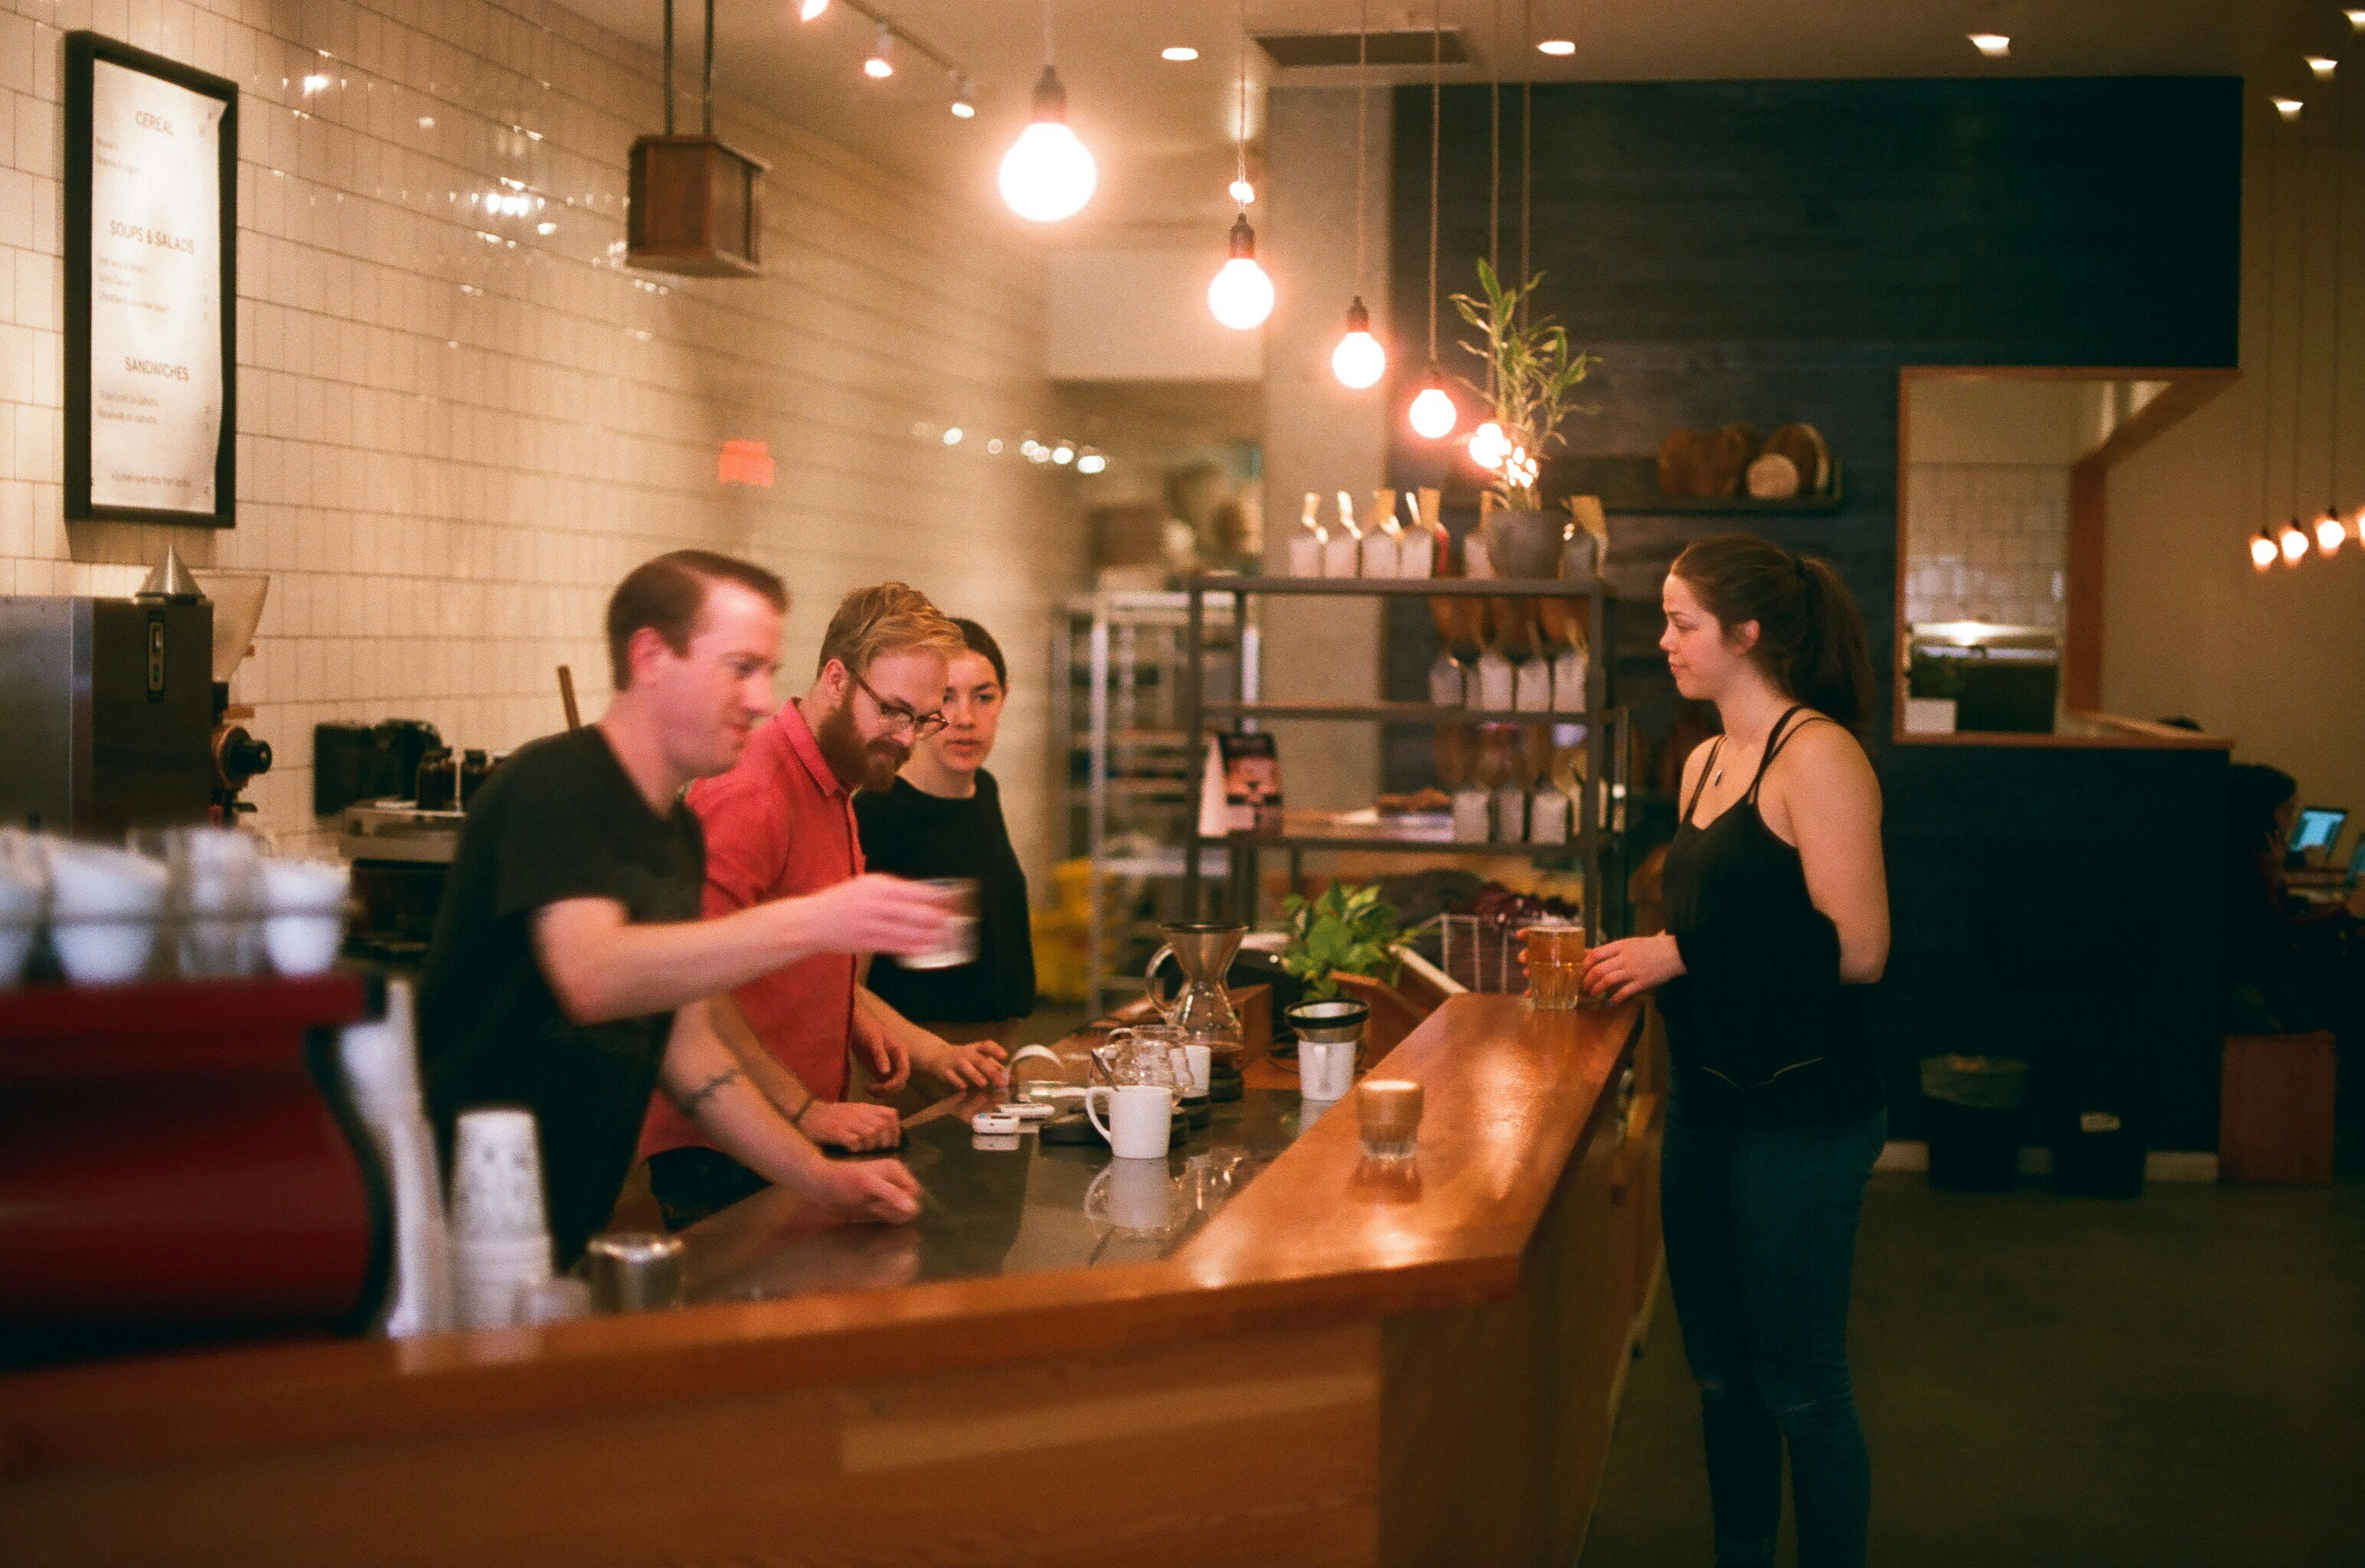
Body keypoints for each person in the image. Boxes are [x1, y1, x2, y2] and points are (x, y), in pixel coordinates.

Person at [419, 550, 939, 1267]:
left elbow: (689, 1052)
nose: (761, 700)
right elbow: (591, 974)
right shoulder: (557, 784)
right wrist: (815, 920)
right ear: (651, 656)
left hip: (559, 1216)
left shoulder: (675, 831)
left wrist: (819, 1177)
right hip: (450, 1212)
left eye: (766, 671)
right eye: (740, 667)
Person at [1580, 534, 1890, 1568]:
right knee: (1718, 1374)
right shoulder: (1705, 760)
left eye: (1682, 624)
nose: (1663, 641)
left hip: (1805, 1112)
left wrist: (1680, 951)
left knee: (1802, 1383)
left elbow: (1857, 951)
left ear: (1746, 636)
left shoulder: (1820, 757)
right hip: (1708, 1106)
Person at [639, 583, 1011, 1230]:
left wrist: (858, 1016)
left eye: (921, 720)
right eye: (894, 712)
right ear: (836, 679)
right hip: (721, 1143)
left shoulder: (838, 782)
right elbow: (690, 985)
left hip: (786, 1130)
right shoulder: (754, 792)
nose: (905, 738)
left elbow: (792, 952)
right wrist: (802, 1109)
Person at [855, 616, 1037, 1044]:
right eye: (946, 699)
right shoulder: (878, 812)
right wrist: (936, 1055)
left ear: (1004, 699)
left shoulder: (983, 790)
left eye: (984, 697)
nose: (965, 719)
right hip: (915, 1058)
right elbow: (849, 988)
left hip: (996, 1049)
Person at [2223, 762, 2363, 1037]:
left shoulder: (2242, 850)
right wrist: (2346, 910)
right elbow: (2282, 928)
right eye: (2287, 812)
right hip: (2267, 970)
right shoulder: (2254, 861)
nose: (2290, 822)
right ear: (2263, 812)